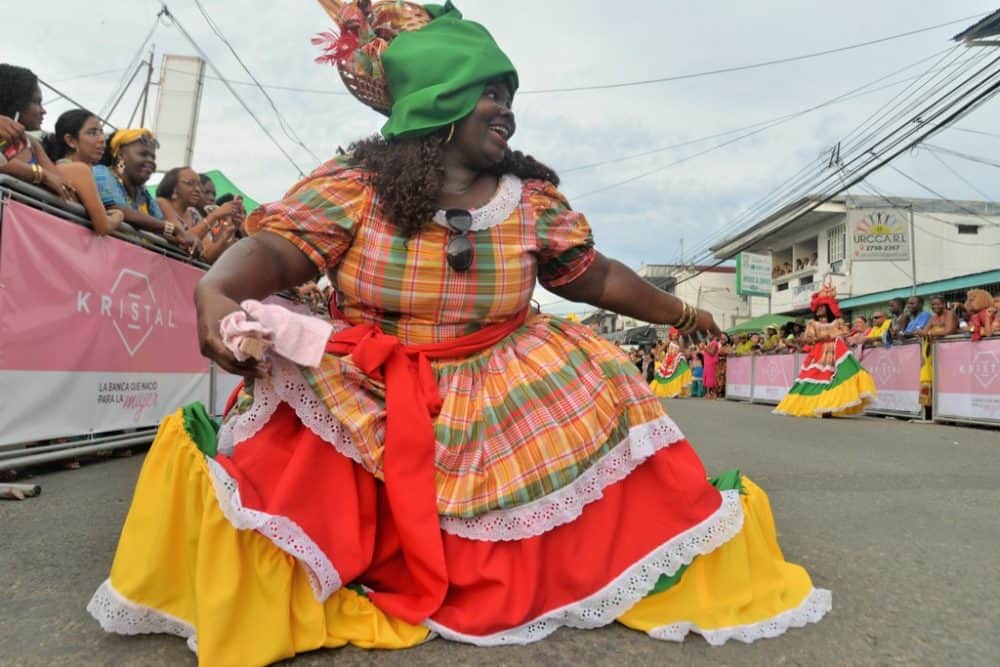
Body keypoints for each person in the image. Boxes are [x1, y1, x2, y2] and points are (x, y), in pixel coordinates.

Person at [87, 4, 829, 663]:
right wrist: (216, 288)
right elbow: (279, 251)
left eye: (508, 95)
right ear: (439, 100)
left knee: (613, 411)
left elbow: (593, 278)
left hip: (501, 377)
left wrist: (683, 311)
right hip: (368, 384)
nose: (505, 110)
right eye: (488, 93)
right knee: (271, 496)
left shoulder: (531, 199)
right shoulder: (354, 186)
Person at [773, 282, 877, 418]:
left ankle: (828, 406)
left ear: (828, 307)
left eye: (821, 306)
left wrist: (835, 337)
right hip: (819, 354)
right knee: (816, 378)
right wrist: (820, 338)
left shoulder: (839, 322)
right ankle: (815, 406)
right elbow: (809, 339)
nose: (818, 309)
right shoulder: (812, 323)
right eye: (817, 307)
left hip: (836, 353)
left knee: (832, 380)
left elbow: (846, 335)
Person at [93, 129, 198, 253]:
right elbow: (119, 210)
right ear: (121, 155)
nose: (150, 161)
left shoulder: (143, 192)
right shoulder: (102, 172)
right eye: (143, 154)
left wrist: (186, 241)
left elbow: (159, 224)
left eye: (153, 157)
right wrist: (175, 229)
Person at [40, 109, 124, 235]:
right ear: (71, 141)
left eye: (101, 132)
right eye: (92, 133)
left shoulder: (61, 167)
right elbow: (103, 227)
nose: (102, 139)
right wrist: (119, 216)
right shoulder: (77, 169)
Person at [0, 64, 74, 201]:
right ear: (15, 101)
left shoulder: (31, 144)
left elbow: (65, 189)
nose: (43, 110)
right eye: (36, 102)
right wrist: (41, 175)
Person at [915, 295, 958, 410]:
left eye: (938, 304)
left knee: (946, 381)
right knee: (929, 379)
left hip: (949, 353)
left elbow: (949, 330)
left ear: (944, 304)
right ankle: (928, 409)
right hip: (931, 353)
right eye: (933, 305)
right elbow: (923, 331)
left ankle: (949, 409)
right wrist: (925, 332)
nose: (935, 306)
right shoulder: (932, 318)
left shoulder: (950, 314)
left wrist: (929, 333)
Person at [649, 329, 693, 398]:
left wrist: (687, 352)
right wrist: (657, 355)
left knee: (679, 373)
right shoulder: (668, 341)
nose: (674, 335)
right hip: (668, 361)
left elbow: (682, 351)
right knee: (665, 377)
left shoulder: (679, 343)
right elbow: (661, 349)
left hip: (676, 360)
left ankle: (675, 391)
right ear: (671, 335)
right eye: (673, 334)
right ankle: (668, 391)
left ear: (678, 335)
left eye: (675, 334)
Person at [702, 336, 721, 400]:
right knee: (708, 378)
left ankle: (714, 394)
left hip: (711, 362)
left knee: (712, 378)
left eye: (710, 334)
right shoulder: (711, 342)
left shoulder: (715, 343)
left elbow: (712, 353)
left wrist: (705, 347)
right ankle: (708, 394)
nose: (708, 335)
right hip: (707, 363)